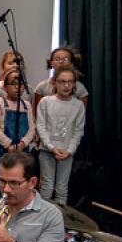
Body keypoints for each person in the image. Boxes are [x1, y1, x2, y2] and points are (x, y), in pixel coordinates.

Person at [35, 65, 85, 205]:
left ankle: (59, 221)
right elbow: (41, 126)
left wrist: (69, 150)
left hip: (66, 153)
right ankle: (43, 219)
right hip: (47, 151)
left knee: (62, 189)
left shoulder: (78, 105)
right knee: (47, 186)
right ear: (54, 82)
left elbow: (78, 130)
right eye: (62, 81)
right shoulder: (46, 102)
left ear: (74, 83)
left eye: (70, 81)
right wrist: (51, 147)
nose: (66, 85)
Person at [0, 69, 35, 199]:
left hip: (22, 151)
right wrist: (8, 144)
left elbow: (32, 129)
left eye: (21, 84)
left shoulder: (27, 105)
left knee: (18, 184)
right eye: (13, 84)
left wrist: (23, 143)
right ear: (5, 87)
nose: (18, 87)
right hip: (1, 151)